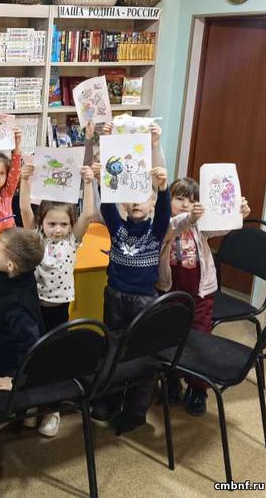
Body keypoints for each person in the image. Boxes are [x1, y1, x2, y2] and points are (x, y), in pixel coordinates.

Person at [157, 177, 251, 416]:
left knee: (200, 338)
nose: (186, 205)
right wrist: (189, 218)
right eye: (179, 198)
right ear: (167, 200)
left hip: (201, 294)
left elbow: (221, 226)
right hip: (170, 292)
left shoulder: (200, 225)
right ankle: (171, 379)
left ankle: (198, 389)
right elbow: (170, 229)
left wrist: (237, 213)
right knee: (168, 336)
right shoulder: (162, 222)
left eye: (192, 201)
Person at [18, 164, 97, 436]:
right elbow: (25, 210)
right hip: (34, 308)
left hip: (59, 311)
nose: (58, 230)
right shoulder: (36, 237)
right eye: (52, 224)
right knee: (33, 356)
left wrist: (89, 183)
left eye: (64, 224)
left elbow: (88, 214)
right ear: (42, 223)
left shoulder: (72, 240)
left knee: (54, 359)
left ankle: (51, 410)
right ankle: (32, 405)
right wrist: (25, 180)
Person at [95, 165, 171, 434]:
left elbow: (165, 213)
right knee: (113, 348)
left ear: (151, 204)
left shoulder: (156, 231)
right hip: (115, 296)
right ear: (125, 203)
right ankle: (109, 400)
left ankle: (137, 410)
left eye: (144, 198)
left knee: (143, 352)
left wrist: (163, 188)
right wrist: (103, 181)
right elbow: (107, 208)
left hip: (144, 301)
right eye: (132, 198)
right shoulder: (117, 228)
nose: (137, 203)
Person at [0, 228, 46, 401]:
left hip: (5, 357)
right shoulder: (17, 272)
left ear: (10, 265)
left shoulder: (17, 308)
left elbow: (31, 342)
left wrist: (16, 380)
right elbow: (2, 257)